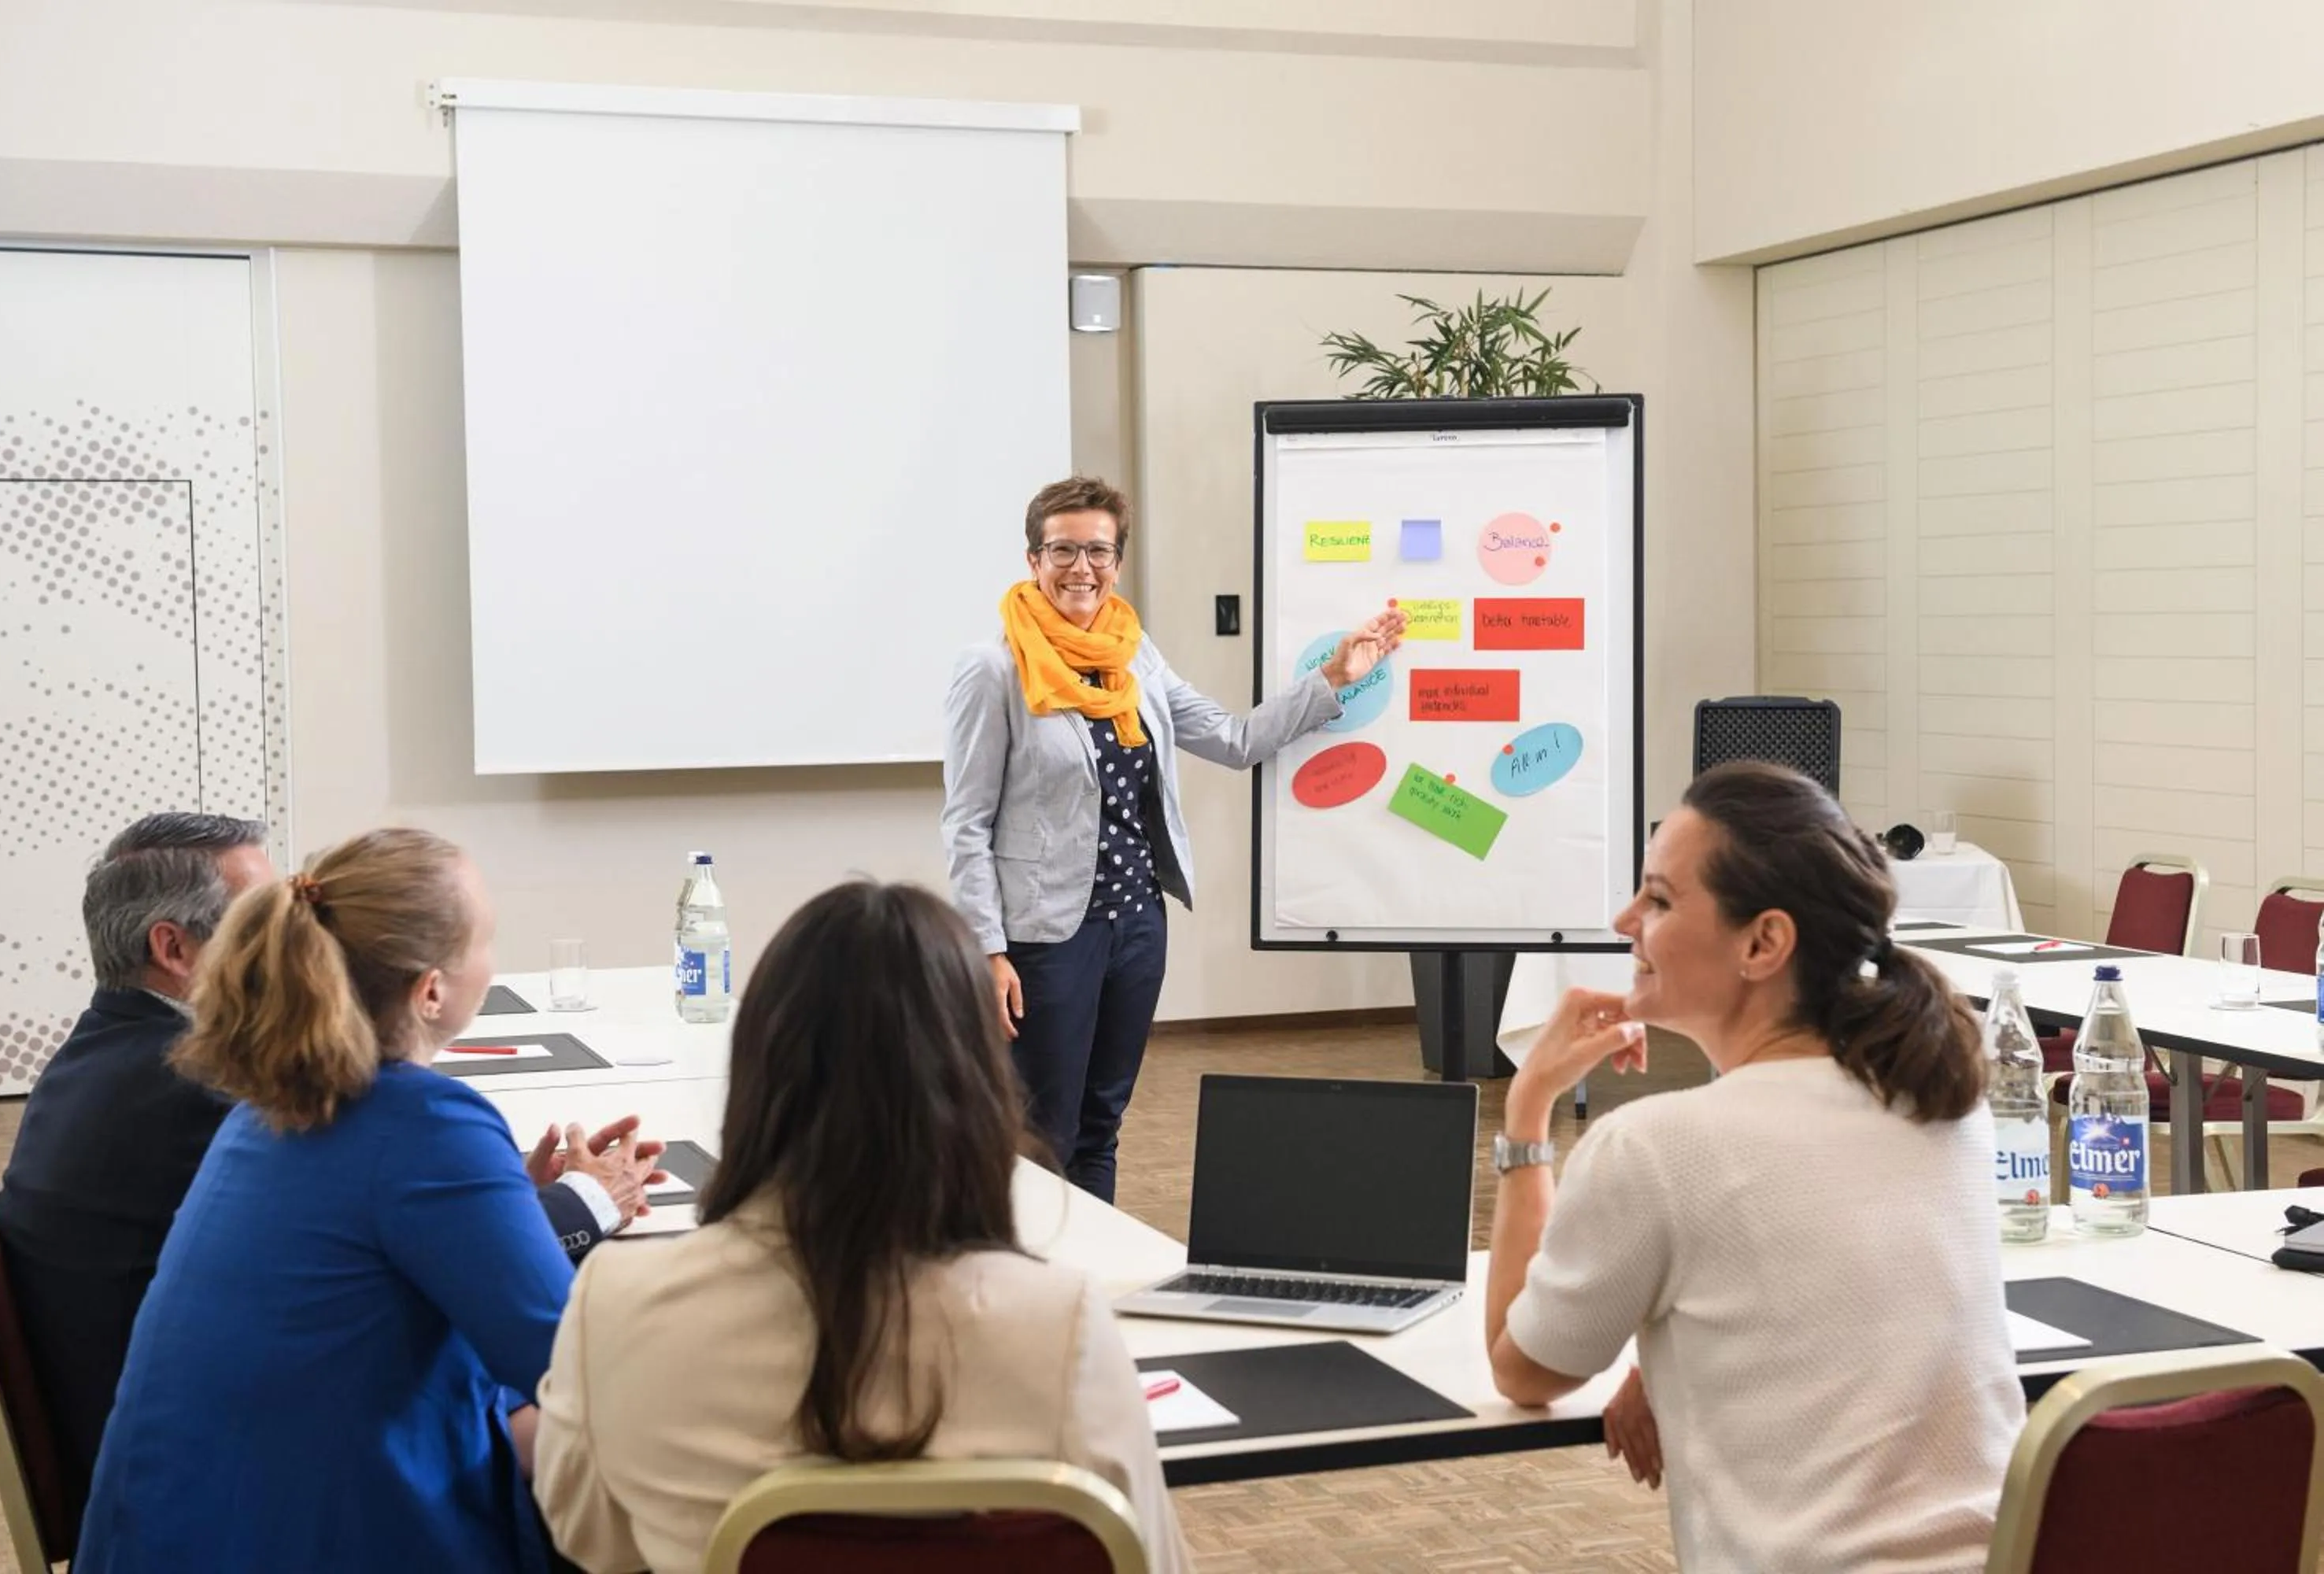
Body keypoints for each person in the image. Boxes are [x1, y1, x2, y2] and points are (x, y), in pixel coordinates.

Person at [0, 814, 660, 1529]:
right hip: (267, 1504)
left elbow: (354, 1233)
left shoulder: (231, 1086)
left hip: (180, 1485)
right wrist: (588, 1205)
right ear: (431, 990)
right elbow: (569, 1369)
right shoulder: (275, 1097)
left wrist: (504, 1204)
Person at [534, 880, 1191, 1574]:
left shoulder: (620, 1299)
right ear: (978, 1085)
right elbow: (1146, 1562)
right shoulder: (1063, 1328)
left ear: (758, 1072)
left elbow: (591, 1543)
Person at [1483, 762, 2023, 1574]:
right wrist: (1675, 1355)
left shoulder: (1658, 1145)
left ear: (1764, 941)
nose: (1625, 917)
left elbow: (1524, 1367)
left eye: (1660, 900)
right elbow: (1830, 1299)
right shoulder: (1945, 1101)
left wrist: (1527, 1114)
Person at [942, 475, 1402, 1200]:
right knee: (1040, 1130)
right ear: (1033, 560)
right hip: (1045, 935)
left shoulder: (1135, 657)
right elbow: (966, 824)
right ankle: (1026, 1290)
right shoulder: (995, 669)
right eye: (1062, 550)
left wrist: (1336, 678)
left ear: (1117, 562)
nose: (1081, 568)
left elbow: (1233, 738)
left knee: (1102, 1122)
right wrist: (989, 949)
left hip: (1137, 925)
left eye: (1098, 551)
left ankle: (1092, 1282)